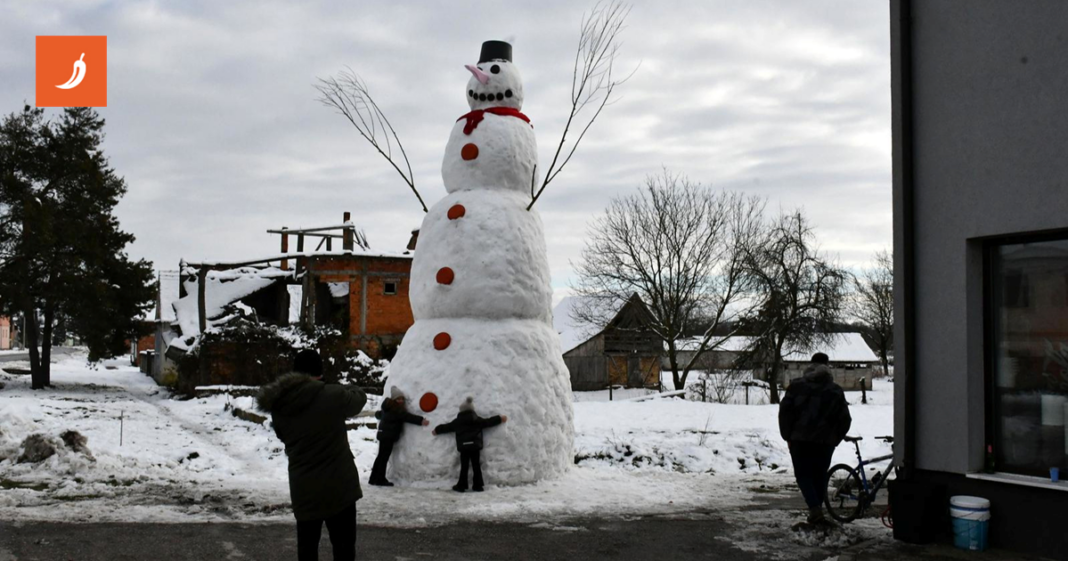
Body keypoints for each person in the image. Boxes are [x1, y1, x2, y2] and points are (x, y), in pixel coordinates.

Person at [256, 349, 367, 561]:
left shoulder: (279, 406)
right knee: (343, 548)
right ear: (319, 371)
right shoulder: (333, 395)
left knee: (307, 548)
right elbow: (359, 398)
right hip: (340, 487)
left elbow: (282, 435)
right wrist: (339, 386)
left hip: (304, 488)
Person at [778, 352, 852, 527]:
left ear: (810, 366)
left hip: (799, 441)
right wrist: (835, 438)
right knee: (819, 476)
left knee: (803, 475)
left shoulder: (796, 387)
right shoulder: (835, 390)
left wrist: (787, 436)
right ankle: (816, 511)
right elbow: (845, 420)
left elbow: (785, 413)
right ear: (828, 367)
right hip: (825, 443)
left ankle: (815, 510)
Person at [432, 397, 507, 492]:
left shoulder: (457, 422)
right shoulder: (476, 420)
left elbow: (447, 427)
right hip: (475, 446)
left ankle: (462, 486)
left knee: (464, 466)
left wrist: (437, 430)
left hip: (464, 447)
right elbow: (488, 422)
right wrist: (499, 419)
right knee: (476, 465)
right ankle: (478, 486)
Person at [369, 386, 429, 486]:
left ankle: (373, 478)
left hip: (383, 433)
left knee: (380, 457)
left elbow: (379, 414)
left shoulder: (388, 407)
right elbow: (408, 417)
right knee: (383, 457)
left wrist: (377, 414)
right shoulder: (396, 410)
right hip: (388, 436)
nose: (400, 401)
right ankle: (380, 479)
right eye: (398, 399)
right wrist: (421, 420)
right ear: (394, 399)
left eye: (402, 399)